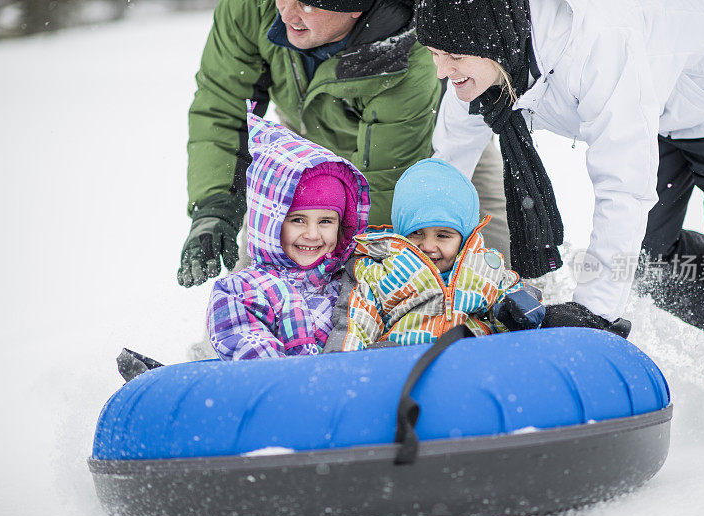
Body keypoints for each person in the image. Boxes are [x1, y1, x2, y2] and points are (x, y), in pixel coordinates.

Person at [415, 0, 704, 354]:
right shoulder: (486, 61)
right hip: (654, 110)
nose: (441, 71)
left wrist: (593, 313)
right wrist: (417, 255)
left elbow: (623, 186)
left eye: (454, 56)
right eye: (434, 54)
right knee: (645, 265)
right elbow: (450, 161)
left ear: (492, 42)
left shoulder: (597, 44)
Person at [177, 0, 442, 289]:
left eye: (305, 4)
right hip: (305, 135)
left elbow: (382, 187)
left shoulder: (406, 53)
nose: (287, 13)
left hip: (435, 147)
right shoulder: (252, 6)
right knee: (258, 268)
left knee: (460, 268)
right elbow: (223, 107)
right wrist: (216, 206)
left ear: (356, 7)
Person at [325, 158, 545, 352]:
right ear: (401, 233)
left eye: (443, 235)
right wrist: (346, 368)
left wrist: (514, 311)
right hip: (406, 365)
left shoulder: (486, 267)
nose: (428, 246)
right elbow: (356, 325)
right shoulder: (379, 272)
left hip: (473, 361)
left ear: (464, 238)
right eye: (417, 233)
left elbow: (516, 301)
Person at [207, 114, 369, 359]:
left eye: (326, 221)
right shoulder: (240, 290)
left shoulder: (355, 282)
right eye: (297, 220)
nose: (313, 234)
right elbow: (260, 367)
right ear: (270, 223)